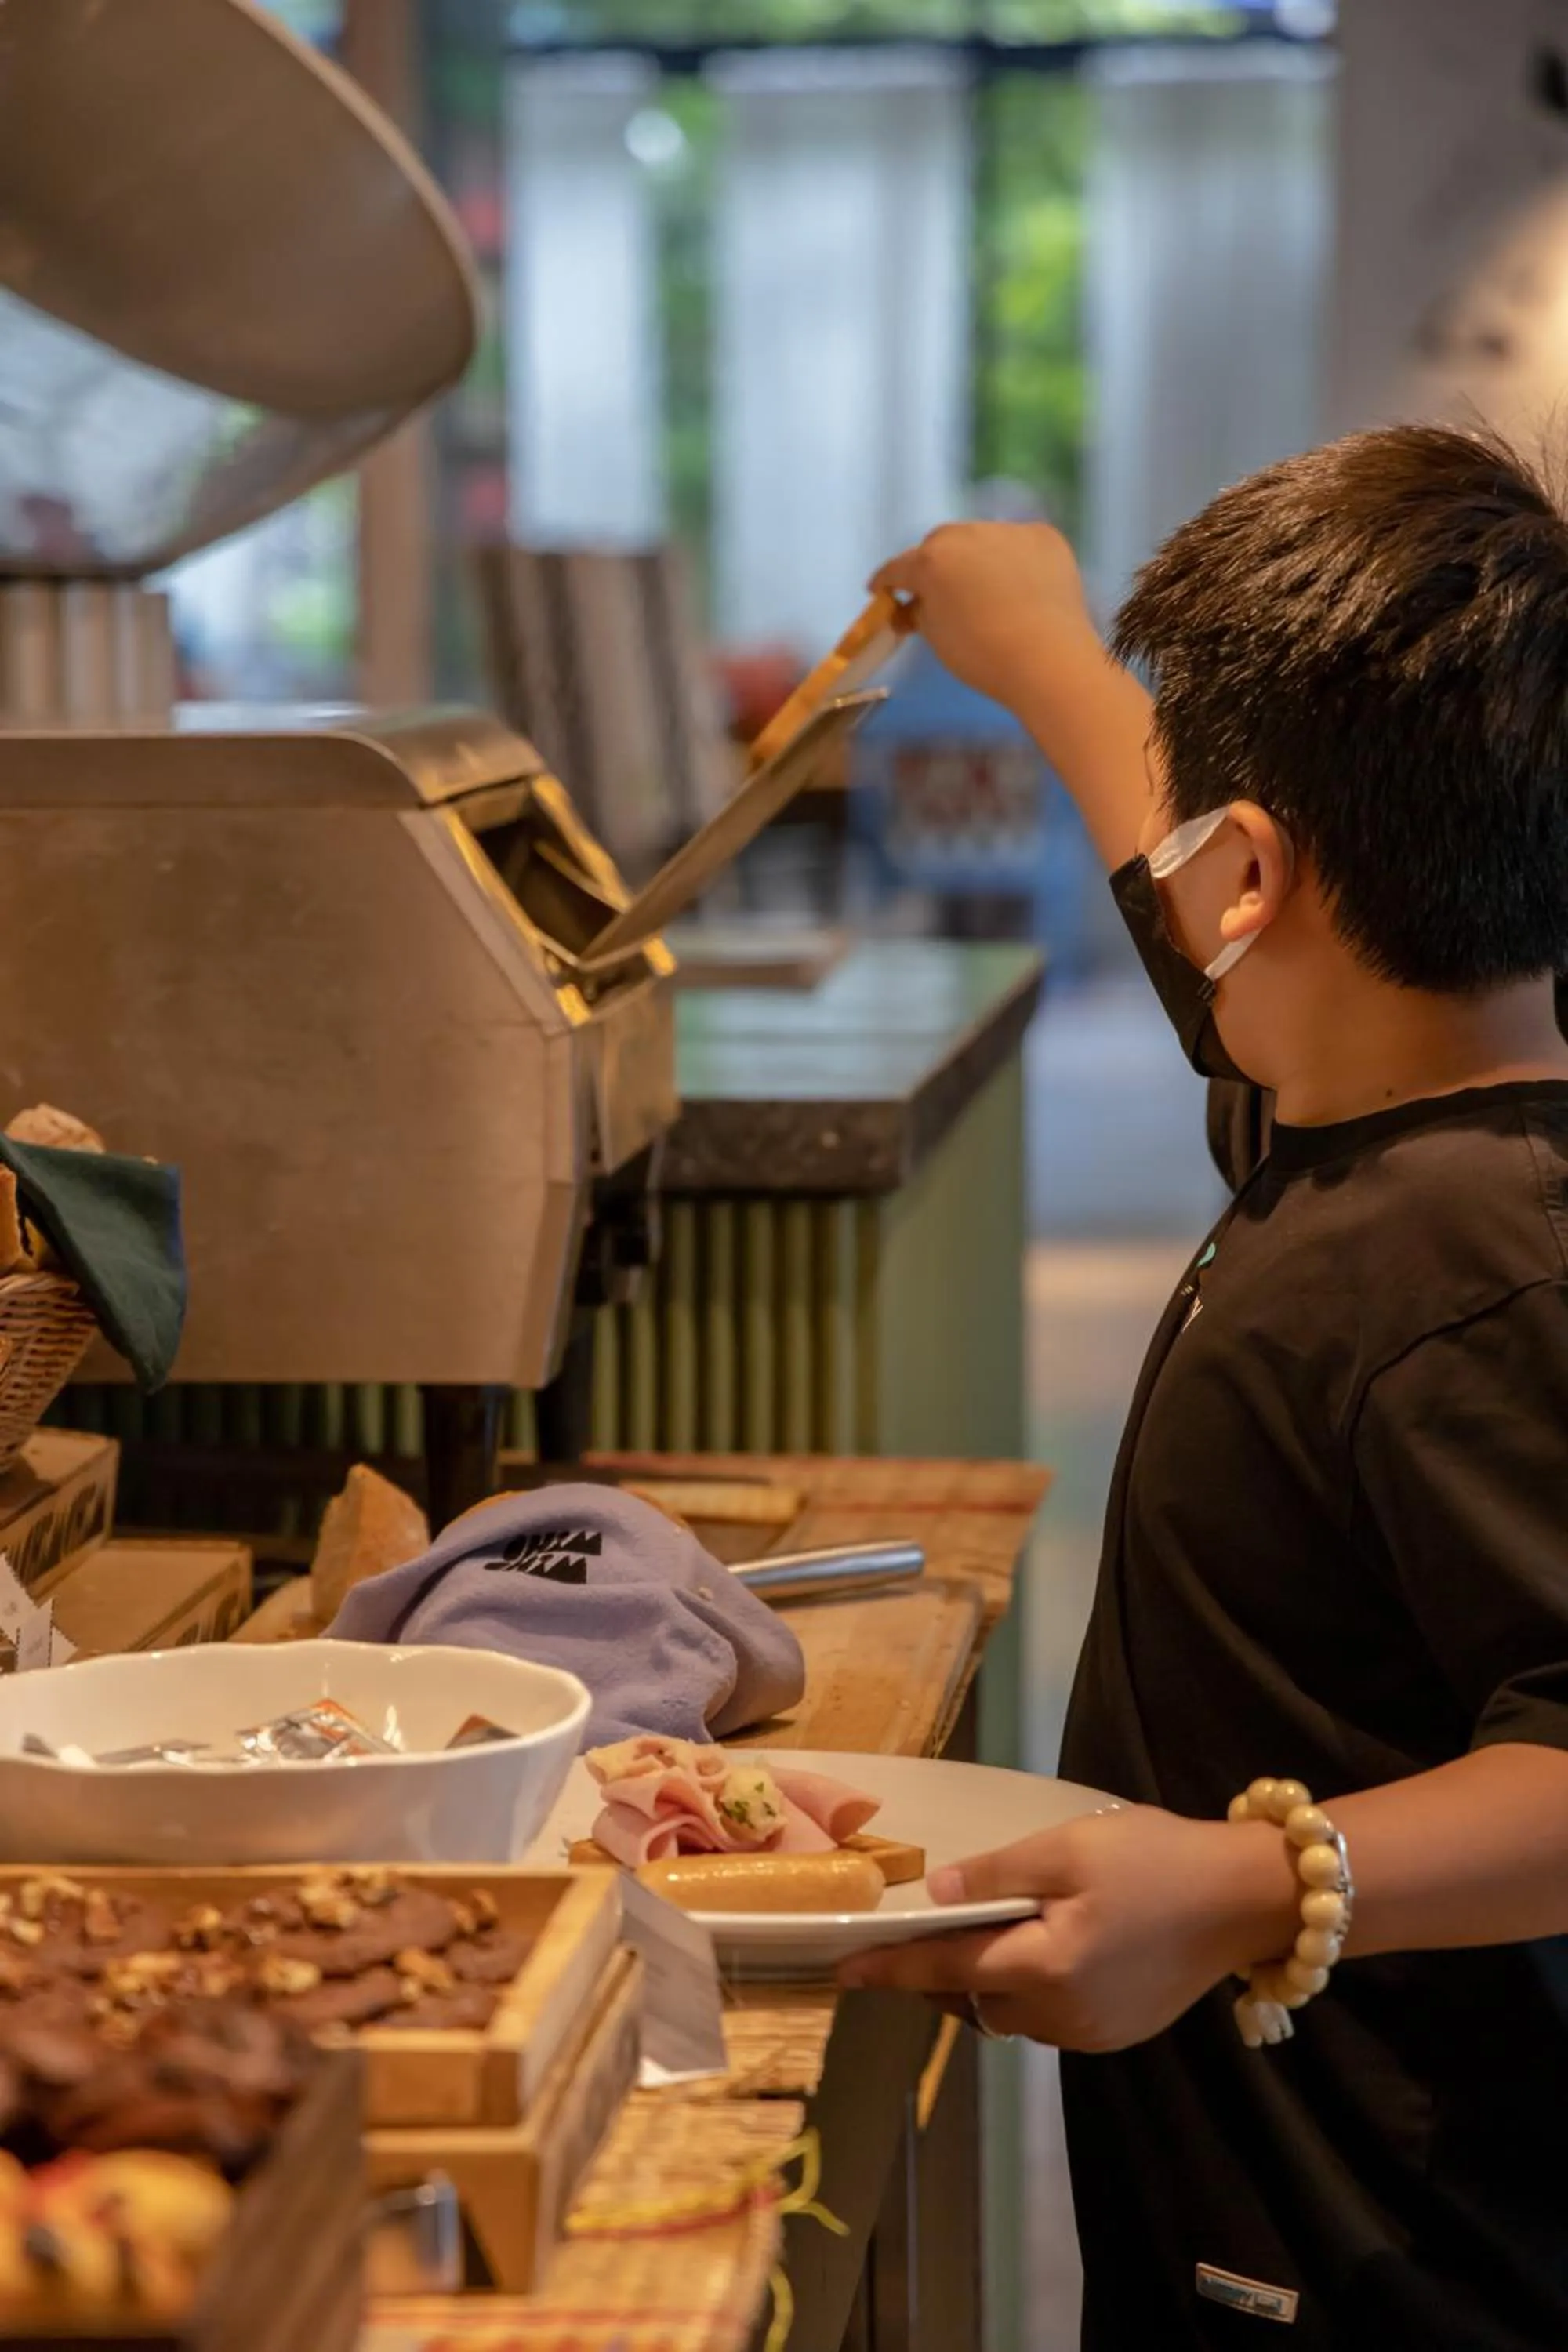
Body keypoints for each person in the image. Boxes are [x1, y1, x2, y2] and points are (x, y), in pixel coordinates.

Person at [844, 426, 1568, 2350]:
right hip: (1264, 2202)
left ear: (1252, 867)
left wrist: (1244, 1885)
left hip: (1403, 2255)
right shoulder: (1374, 1109)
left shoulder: (1475, 1270)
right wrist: (1046, 650)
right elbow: (1221, 949)